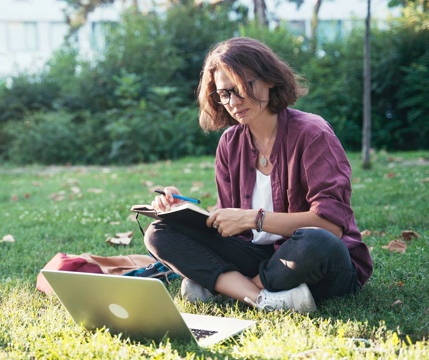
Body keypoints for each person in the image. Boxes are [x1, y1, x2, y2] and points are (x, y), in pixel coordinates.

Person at [144, 37, 373, 313]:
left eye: (243, 87)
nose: (233, 101)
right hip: (258, 256)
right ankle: (262, 298)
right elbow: (231, 225)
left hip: (319, 262)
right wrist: (185, 212)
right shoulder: (230, 143)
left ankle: (227, 289)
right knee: (158, 233)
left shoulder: (313, 133)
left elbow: (331, 226)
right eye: (224, 93)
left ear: (269, 79)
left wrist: (255, 219)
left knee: (315, 241)